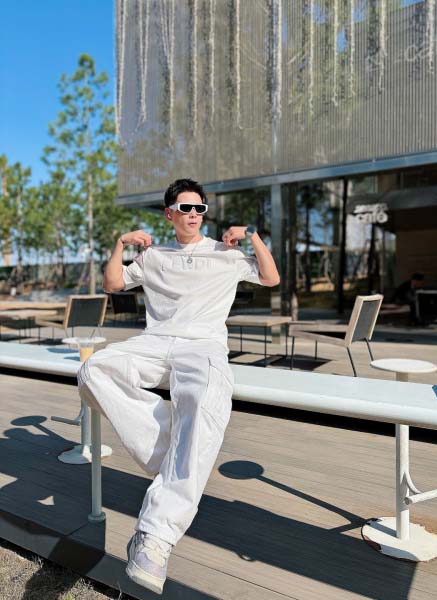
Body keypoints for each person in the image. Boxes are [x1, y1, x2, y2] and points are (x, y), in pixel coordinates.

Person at [77, 178, 280, 595]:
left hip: (202, 345)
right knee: (94, 370)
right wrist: (119, 243)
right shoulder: (153, 256)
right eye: (184, 208)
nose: (193, 215)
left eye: (199, 209)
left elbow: (270, 277)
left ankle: (154, 536)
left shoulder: (225, 254)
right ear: (169, 214)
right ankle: (176, 453)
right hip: (155, 343)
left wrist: (252, 235)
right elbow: (113, 284)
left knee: (203, 403)